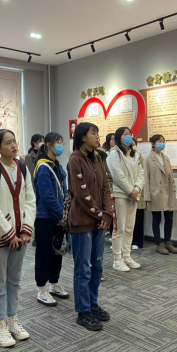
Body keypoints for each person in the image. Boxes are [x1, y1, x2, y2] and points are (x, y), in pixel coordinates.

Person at [0, 129, 35, 348]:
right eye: (8, 143)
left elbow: (30, 199)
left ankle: (12, 318)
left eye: (14, 141)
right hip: (1, 236)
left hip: (21, 236)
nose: (14, 146)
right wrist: (9, 232)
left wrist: (26, 229)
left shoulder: (22, 167)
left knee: (15, 279)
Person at [68, 123, 113, 331]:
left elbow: (105, 187)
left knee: (97, 267)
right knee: (83, 269)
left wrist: (107, 214)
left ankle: (93, 303)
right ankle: (83, 311)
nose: (97, 136)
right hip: (82, 222)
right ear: (83, 137)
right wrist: (101, 214)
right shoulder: (75, 160)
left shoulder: (97, 158)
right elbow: (81, 195)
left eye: (97, 133)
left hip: (99, 222)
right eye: (93, 133)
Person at [33, 132, 69, 307]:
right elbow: (47, 196)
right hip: (45, 217)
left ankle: (54, 283)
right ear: (48, 145)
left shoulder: (58, 167)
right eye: (57, 142)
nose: (60, 145)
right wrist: (61, 215)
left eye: (62, 142)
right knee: (44, 254)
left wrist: (65, 214)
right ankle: (42, 289)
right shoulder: (43, 167)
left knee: (57, 252)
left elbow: (65, 191)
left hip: (59, 217)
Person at [107, 127, 144, 272]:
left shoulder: (135, 154)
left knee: (129, 228)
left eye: (130, 134)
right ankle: (117, 260)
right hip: (120, 195)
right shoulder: (114, 154)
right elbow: (117, 175)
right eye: (125, 134)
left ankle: (127, 256)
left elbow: (141, 174)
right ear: (119, 137)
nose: (128, 137)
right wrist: (130, 191)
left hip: (133, 195)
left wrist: (136, 189)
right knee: (119, 228)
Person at [144, 135, 177, 255]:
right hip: (156, 193)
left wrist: (173, 189)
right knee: (157, 219)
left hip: (168, 191)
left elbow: (171, 175)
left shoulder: (166, 158)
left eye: (163, 141)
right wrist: (147, 196)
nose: (162, 144)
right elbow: (146, 179)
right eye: (159, 141)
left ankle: (167, 241)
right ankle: (158, 243)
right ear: (153, 144)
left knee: (169, 218)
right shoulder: (148, 159)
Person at [132, 143, 146, 250]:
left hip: (138, 191)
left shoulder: (140, 157)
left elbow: (142, 175)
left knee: (139, 218)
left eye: (133, 144)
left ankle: (137, 241)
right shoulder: (120, 157)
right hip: (127, 192)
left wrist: (137, 188)